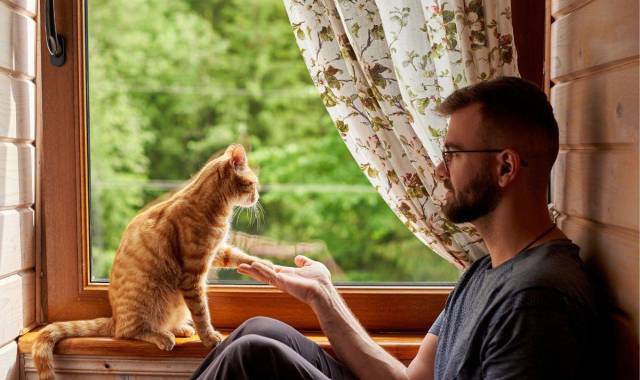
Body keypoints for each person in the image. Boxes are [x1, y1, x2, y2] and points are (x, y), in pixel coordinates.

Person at [190, 77, 599, 380]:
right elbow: (409, 379)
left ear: (505, 167)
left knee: (255, 357)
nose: (439, 170)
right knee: (260, 329)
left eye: (453, 154)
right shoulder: (485, 272)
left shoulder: (536, 299)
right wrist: (324, 297)